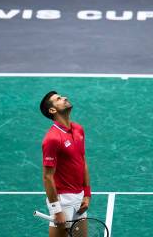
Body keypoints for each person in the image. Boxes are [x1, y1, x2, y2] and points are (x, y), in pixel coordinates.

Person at [40, 91, 91, 237]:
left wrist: (86, 194)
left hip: (79, 197)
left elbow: (83, 161)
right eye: (59, 99)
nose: (64, 98)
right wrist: (57, 210)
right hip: (63, 200)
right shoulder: (52, 139)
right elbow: (47, 177)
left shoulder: (78, 129)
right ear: (52, 110)